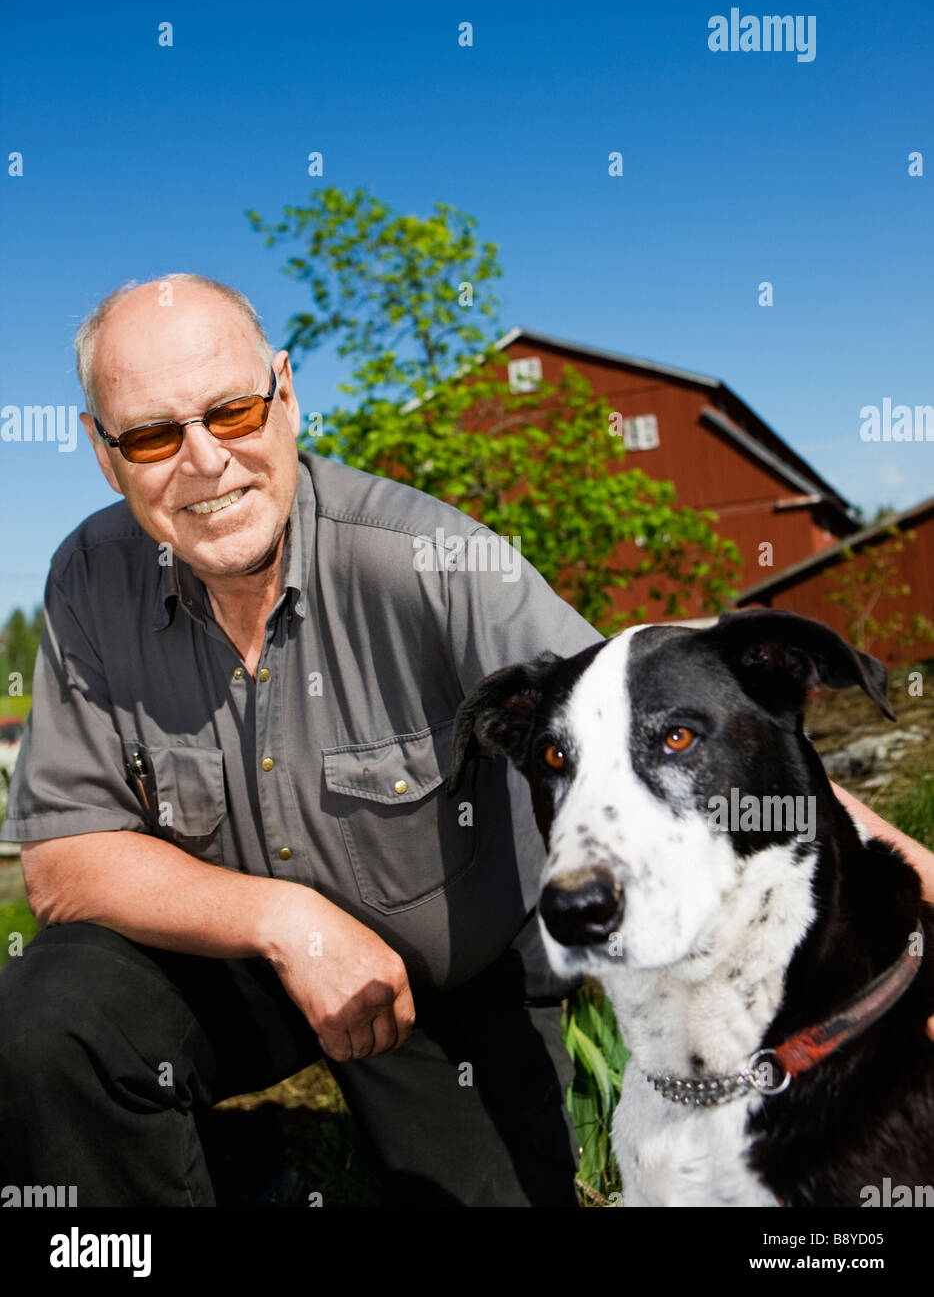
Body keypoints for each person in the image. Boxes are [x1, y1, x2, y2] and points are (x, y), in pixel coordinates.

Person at [1, 274, 931, 1208]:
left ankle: (266, 1167)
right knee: (49, 1028)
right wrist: (285, 923)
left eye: (233, 412)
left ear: (285, 395)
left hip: (448, 993)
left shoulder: (432, 560)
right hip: (227, 961)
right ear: (102, 451)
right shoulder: (91, 575)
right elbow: (64, 860)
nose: (204, 462)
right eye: (155, 436)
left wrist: (915, 889)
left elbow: (658, 717)